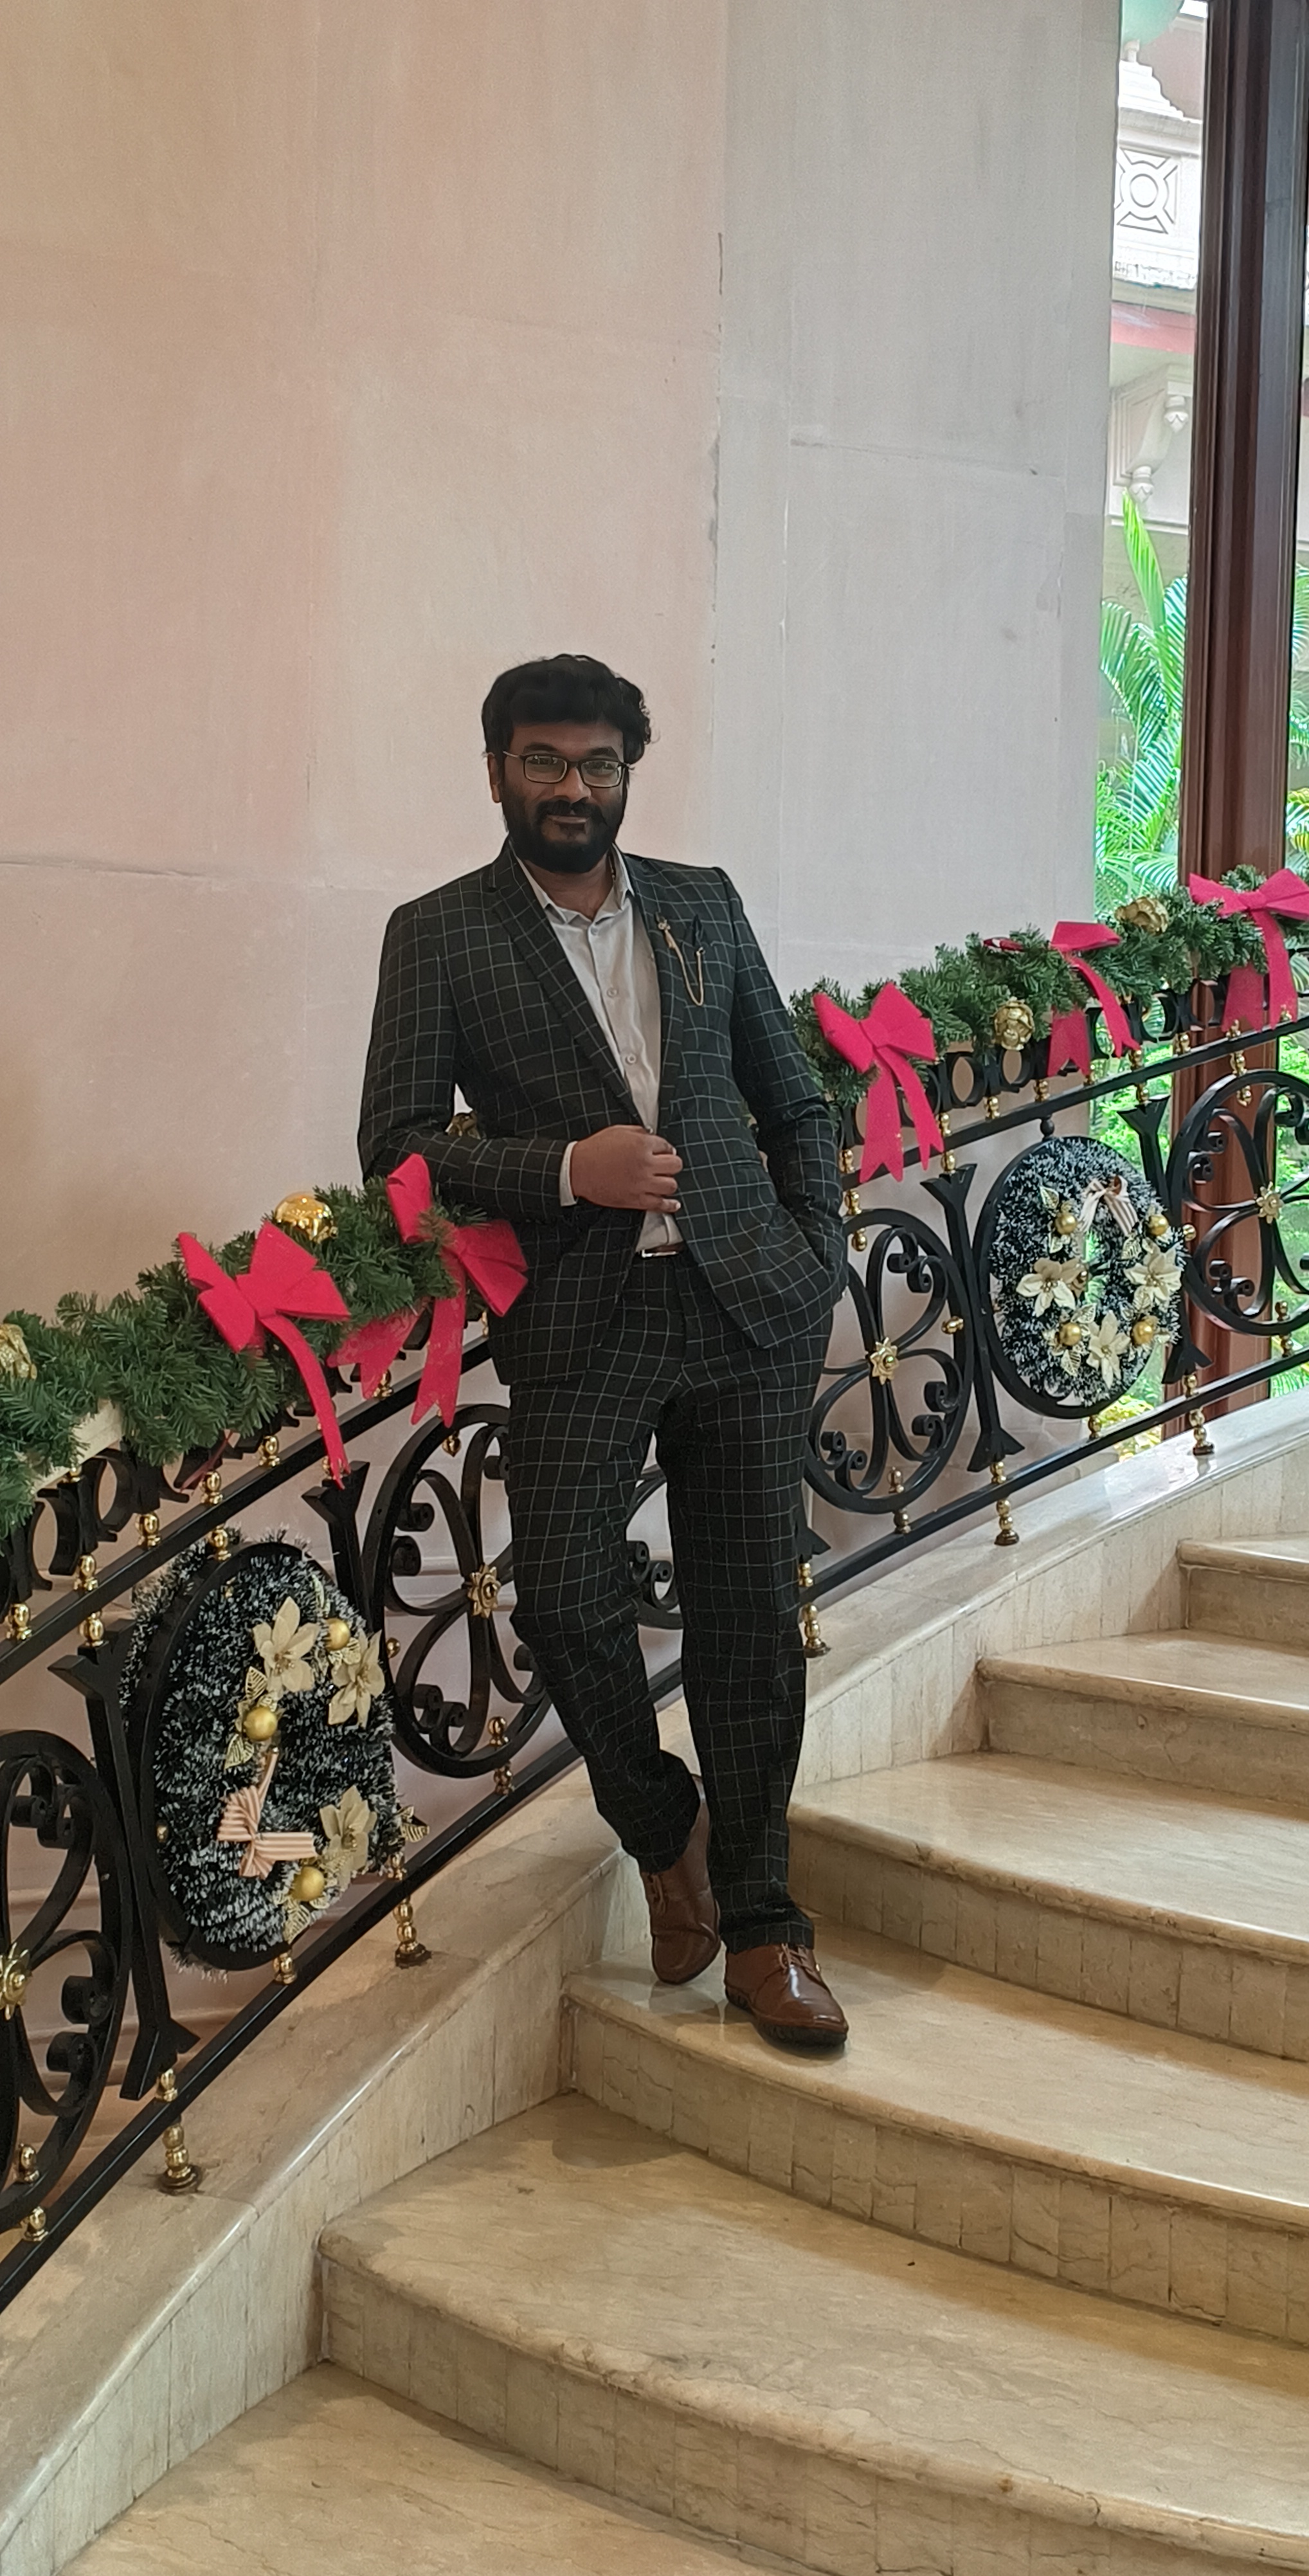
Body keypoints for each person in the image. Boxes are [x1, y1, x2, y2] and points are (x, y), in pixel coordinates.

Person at [358, 654, 849, 2049]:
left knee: (749, 1618)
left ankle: (766, 1926)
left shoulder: (701, 903)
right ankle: (661, 1822)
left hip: (748, 1303)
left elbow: (791, 1096)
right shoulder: (440, 934)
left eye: (597, 765)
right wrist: (572, 1168)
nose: (572, 787)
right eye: (544, 762)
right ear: (497, 769)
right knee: (566, 1595)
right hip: (584, 1316)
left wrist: (816, 1243)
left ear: (627, 772)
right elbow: (397, 1146)